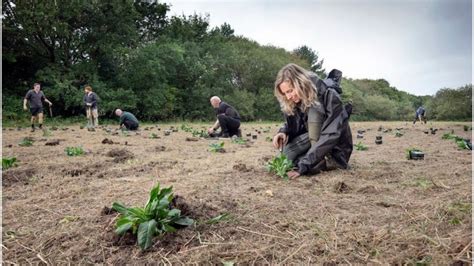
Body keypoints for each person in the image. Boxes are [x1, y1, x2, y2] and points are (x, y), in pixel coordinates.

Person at [272, 63, 353, 179]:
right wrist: (283, 131)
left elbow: (331, 134)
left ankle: (321, 161)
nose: (288, 97)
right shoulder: (297, 99)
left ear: (300, 83)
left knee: (315, 111)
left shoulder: (330, 95)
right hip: (312, 139)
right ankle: (310, 160)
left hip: (334, 149)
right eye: (285, 93)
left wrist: (303, 165)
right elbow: (297, 124)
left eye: (290, 91)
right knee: (286, 155)